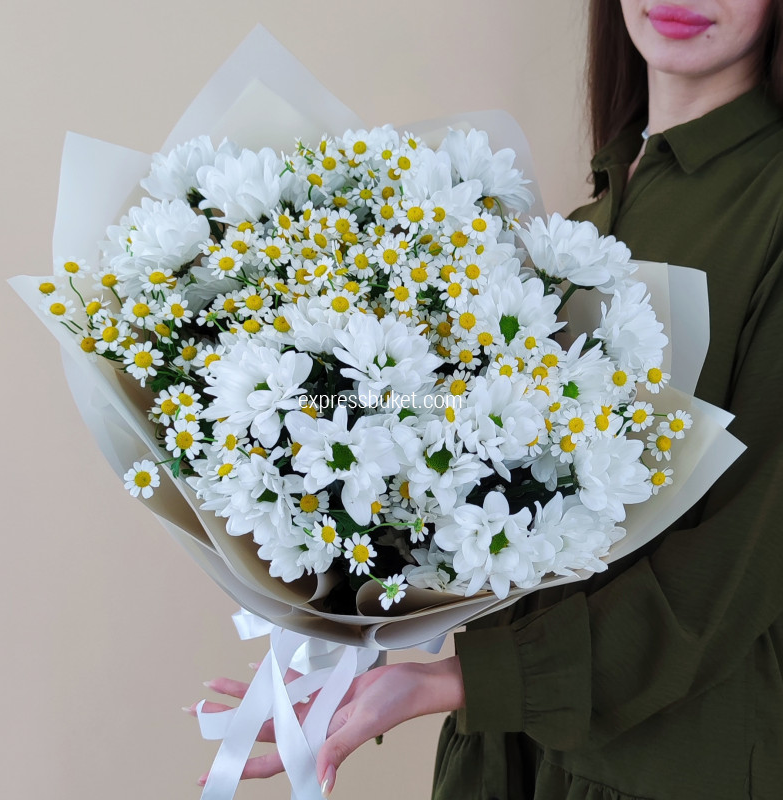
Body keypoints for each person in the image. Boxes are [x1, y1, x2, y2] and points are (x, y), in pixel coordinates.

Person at [192, 2, 783, 797]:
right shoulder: (581, 222)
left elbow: (742, 564)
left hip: (671, 768)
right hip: (509, 757)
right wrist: (349, 653)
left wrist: (460, 679)